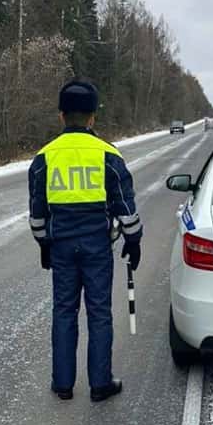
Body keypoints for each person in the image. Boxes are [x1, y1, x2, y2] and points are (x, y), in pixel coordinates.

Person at [28, 80, 142, 402]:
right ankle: (100, 384)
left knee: (64, 312)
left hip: (62, 246)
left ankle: (62, 384)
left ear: (61, 115)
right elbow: (125, 203)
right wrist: (134, 240)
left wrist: (44, 244)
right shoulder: (108, 154)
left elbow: (37, 213)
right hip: (96, 247)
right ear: (92, 117)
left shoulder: (44, 157)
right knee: (99, 312)